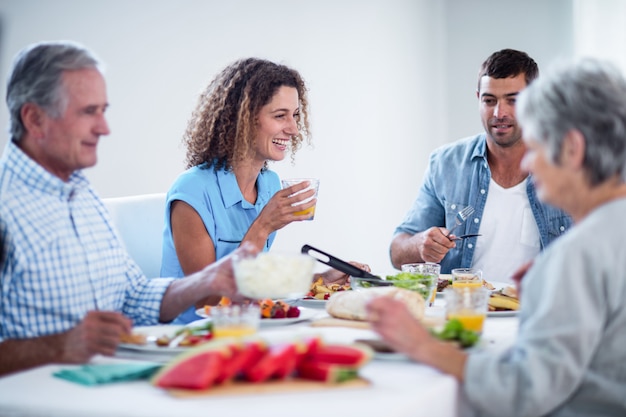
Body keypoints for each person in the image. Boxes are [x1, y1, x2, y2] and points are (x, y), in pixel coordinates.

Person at [368, 58, 626, 416]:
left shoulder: (579, 254)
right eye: (489, 100)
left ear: (571, 149)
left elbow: (525, 392)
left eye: (537, 148)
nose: (528, 164)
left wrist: (422, 344)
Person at [0, 41, 255, 377]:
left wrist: (206, 280)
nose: (104, 128)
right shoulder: (7, 207)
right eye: (88, 112)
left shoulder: (81, 192)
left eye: (103, 110)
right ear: (34, 118)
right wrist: (58, 346)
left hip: (113, 383)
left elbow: (133, 296)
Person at [160, 58, 365, 323]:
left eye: (295, 116)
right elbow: (210, 302)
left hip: (247, 328)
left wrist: (318, 281)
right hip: (193, 335)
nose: (292, 129)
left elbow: (252, 287)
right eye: (280, 116)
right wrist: (263, 226)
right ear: (242, 119)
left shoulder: (268, 184)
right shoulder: (193, 191)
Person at [390, 49, 572, 282]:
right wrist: (421, 245)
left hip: (541, 312)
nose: (499, 113)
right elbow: (397, 252)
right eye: (489, 100)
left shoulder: (569, 167)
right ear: (478, 99)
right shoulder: (446, 164)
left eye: (513, 100)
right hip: (464, 310)